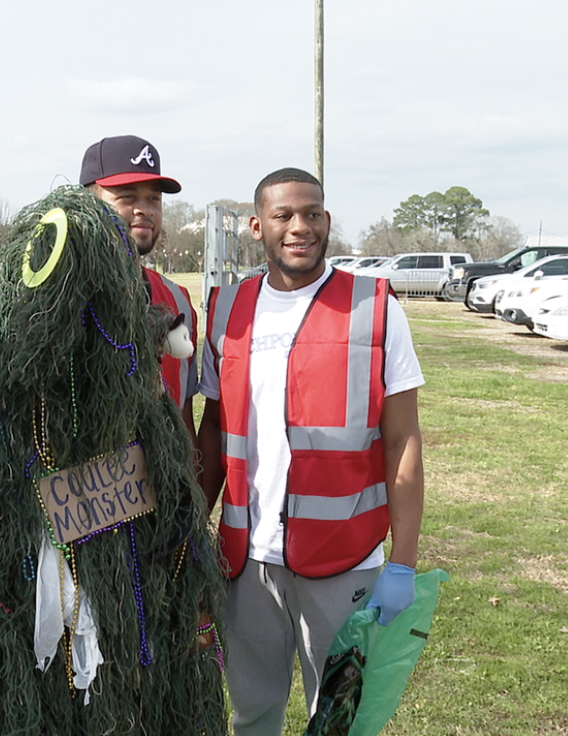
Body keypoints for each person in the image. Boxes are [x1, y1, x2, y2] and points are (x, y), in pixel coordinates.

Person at [197, 168, 425, 736]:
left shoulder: (375, 307)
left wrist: (403, 563)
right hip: (246, 560)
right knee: (252, 713)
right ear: (257, 226)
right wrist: (186, 535)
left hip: (343, 557)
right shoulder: (228, 309)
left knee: (341, 720)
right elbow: (213, 432)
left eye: (313, 213)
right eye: (284, 216)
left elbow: (403, 440)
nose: (301, 227)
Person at [79, 135, 199, 437]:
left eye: (154, 199)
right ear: (88, 204)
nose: (144, 209)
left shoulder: (178, 300)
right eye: (127, 197)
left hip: (158, 481)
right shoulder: (58, 297)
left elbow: (183, 415)